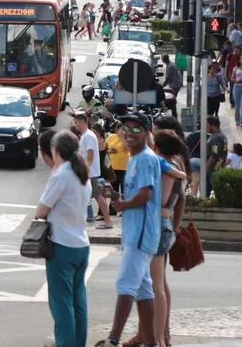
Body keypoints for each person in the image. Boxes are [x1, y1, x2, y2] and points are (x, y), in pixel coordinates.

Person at [94, 113, 162, 347]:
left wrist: (122, 204)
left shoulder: (145, 158)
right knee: (144, 291)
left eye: (137, 129)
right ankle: (151, 343)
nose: (130, 133)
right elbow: (137, 194)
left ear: (147, 133)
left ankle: (113, 340)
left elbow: (146, 195)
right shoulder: (133, 158)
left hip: (141, 234)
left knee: (125, 286)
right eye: (127, 128)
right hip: (136, 233)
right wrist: (116, 196)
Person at [123, 132, 189, 347]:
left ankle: (159, 339)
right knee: (153, 285)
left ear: (157, 148)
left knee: (155, 287)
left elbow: (160, 203)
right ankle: (156, 337)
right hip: (161, 226)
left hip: (160, 227)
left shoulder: (165, 168)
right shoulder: (169, 165)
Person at [37, 130, 91, 347]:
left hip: (62, 245)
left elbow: (40, 211)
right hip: (81, 244)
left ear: (55, 151)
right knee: (79, 301)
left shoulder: (61, 175)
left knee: (61, 303)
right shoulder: (82, 174)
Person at [70, 109, 113, 229]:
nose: (75, 125)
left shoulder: (88, 136)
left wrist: (85, 170)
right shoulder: (85, 135)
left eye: (76, 122)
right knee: (86, 196)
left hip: (91, 173)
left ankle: (108, 221)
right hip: (89, 172)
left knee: (98, 196)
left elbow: (90, 155)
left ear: (82, 122)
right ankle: (83, 219)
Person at [203, 116, 227, 198]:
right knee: (206, 190)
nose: (206, 127)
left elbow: (215, 154)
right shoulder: (220, 136)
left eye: (207, 125)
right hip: (215, 168)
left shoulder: (216, 137)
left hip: (214, 168)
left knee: (218, 192)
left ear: (213, 126)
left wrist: (207, 166)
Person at [106, 121, 130, 196]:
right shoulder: (111, 137)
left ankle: (124, 206)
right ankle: (113, 207)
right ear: (117, 129)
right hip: (113, 167)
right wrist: (110, 151)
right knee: (114, 190)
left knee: (125, 190)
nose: (124, 131)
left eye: (125, 129)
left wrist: (122, 137)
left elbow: (127, 149)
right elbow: (103, 149)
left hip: (124, 168)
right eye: (122, 129)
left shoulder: (128, 138)